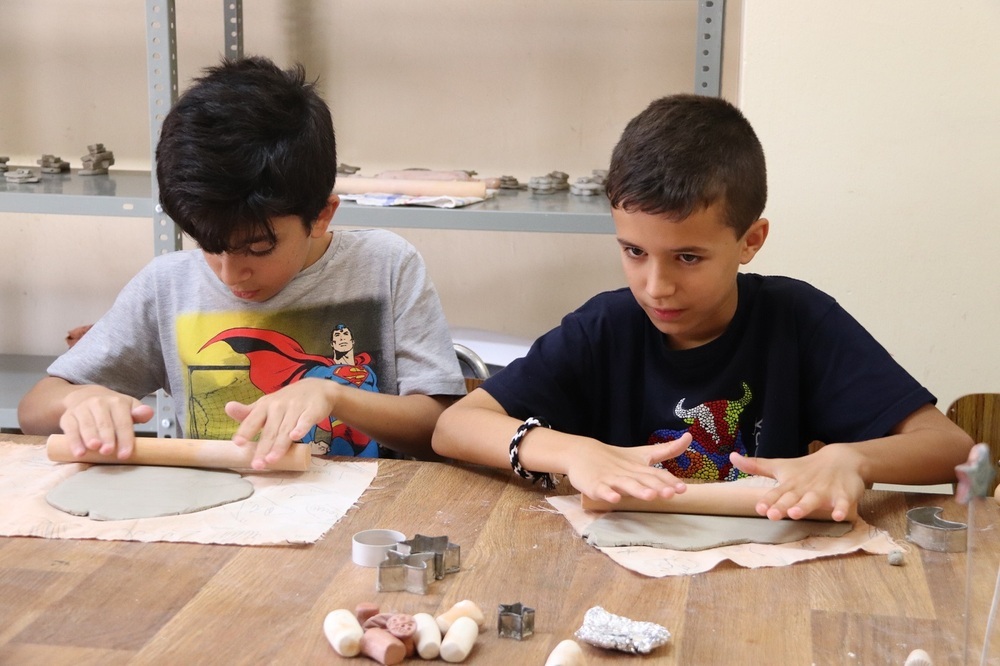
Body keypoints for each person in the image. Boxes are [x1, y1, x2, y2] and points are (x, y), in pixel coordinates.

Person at [432, 94, 973, 522]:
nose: (656, 286)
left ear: (750, 240)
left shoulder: (798, 320)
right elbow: (454, 427)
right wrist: (571, 452)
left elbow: (949, 447)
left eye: (688, 257)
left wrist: (852, 459)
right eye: (633, 251)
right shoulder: (607, 327)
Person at [18, 56, 466, 468]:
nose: (232, 275)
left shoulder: (385, 265)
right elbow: (33, 409)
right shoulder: (167, 286)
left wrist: (334, 395)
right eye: (209, 245)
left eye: (258, 249)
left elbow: (439, 430)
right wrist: (78, 403)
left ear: (321, 216)